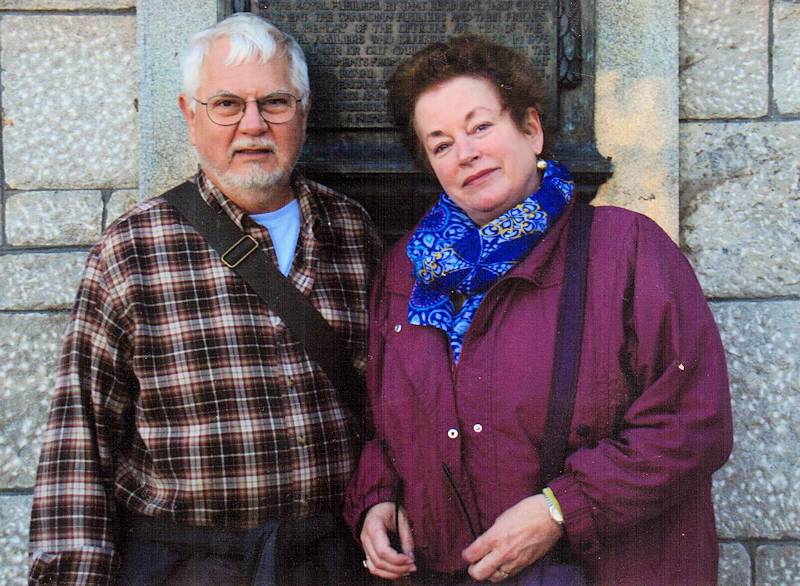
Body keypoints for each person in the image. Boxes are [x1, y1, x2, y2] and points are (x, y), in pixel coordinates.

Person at [345, 35, 733, 585]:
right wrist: (377, 496)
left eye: (481, 126)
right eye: (441, 143)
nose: (467, 152)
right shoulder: (404, 273)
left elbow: (693, 422)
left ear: (530, 129)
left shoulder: (628, 250)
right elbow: (384, 416)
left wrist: (560, 509)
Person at [29, 13, 378, 585]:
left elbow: (389, 411)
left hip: (330, 564)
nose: (253, 126)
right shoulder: (132, 250)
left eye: (275, 103)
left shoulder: (352, 233)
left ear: (304, 112)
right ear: (190, 115)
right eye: (226, 104)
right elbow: (79, 444)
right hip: (186, 568)